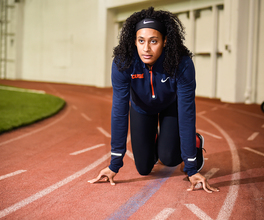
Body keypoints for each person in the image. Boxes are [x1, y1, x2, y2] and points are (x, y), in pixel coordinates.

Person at [89, 7, 219, 193]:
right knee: (144, 169)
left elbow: (186, 113)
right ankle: (158, 138)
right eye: (141, 41)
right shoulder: (123, 63)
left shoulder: (181, 64)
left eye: (154, 41)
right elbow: (119, 111)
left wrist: (191, 168)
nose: (146, 48)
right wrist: (114, 164)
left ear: (165, 41)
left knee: (170, 158)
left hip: (170, 106)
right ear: (134, 41)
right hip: (141, 108)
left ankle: (194, 143)